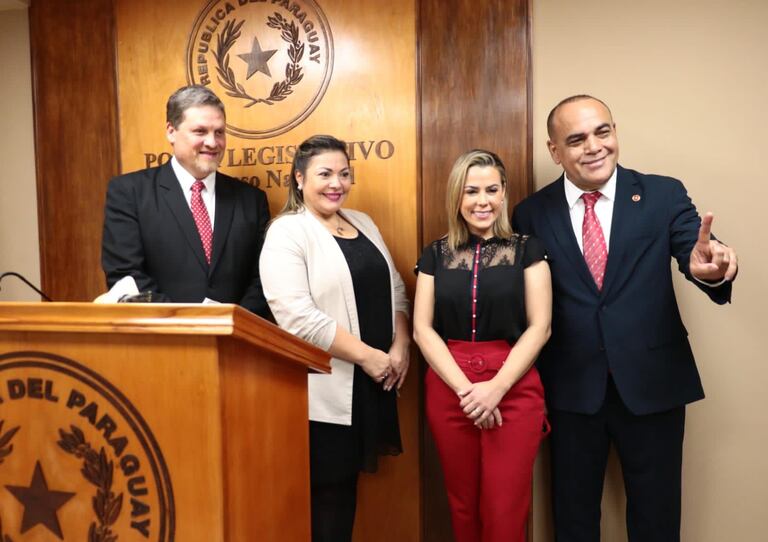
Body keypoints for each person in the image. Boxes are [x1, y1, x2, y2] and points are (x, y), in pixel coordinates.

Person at [512, 95, 739, 541]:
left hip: (654, 383)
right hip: (572, 391)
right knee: (574, 522)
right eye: (576, 139)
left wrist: (707, 270)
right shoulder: (531, 214)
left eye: (603, 131)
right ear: (554, 151)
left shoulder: (662, 194)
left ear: (615, 132)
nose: (594, 146)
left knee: (656, 522)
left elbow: (697, 252)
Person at [259, 134, 410, 542]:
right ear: (299, 178)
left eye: (344, 174)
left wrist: (400, 347)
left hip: (373, 382)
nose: (336, 183)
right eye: (324, 174)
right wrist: (368, 357)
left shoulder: (363, 222)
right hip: (325, 391)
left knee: (349, 493)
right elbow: (298, 318)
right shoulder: (287, 233)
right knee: (328, 497)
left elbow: (395, 287)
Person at [413, 149, 552, 542]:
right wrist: (466, 392)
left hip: (513, 384)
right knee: (462, 503)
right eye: (471, 191)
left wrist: (495, 389)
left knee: (506, 505)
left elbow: (540, 327)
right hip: (449, 385)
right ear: (457, 197)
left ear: (504, 193)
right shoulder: (434, 254)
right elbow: (423, 330)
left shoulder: (529, 249)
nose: (482, 201)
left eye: (492, 189)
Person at [101, 85, 270, 316]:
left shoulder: (251, 200)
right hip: (161, 341)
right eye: (200, 131)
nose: (212, 142)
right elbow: (125, 275)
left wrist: (234, 324)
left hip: (237, 342)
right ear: (171, 131)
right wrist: (187, 321)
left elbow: (264, 279)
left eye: (219, 132)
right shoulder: (129, 193)